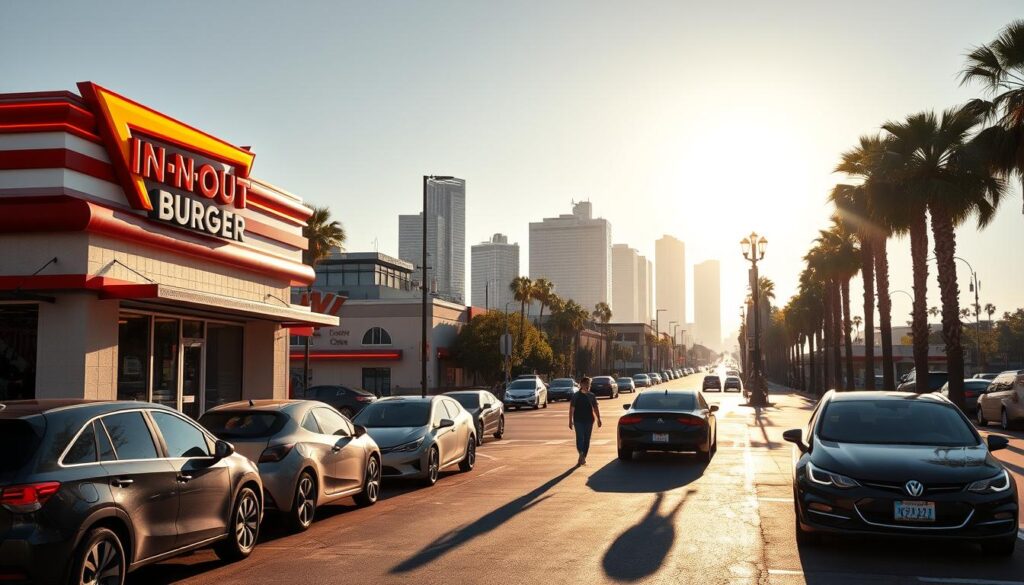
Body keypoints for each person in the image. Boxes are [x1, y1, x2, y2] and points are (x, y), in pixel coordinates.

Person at [569, 376, 602, 466]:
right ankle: (581, 454)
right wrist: (570, 421)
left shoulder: (591, 396)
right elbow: (571, 409)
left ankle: (583, 456)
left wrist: (599, 419)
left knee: (587, 440)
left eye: (589, 384)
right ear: (581, 384)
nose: (587, 385)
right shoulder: (576, 396)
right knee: (580, 438)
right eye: (585, 384)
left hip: (589, 421)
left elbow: (595, 408)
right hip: (578, 421)